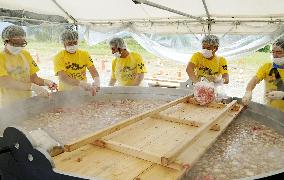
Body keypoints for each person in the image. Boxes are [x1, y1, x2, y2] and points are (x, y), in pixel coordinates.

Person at [0, 25, 57, 106]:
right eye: (15, 43)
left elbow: (34, 78)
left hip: (26, 101)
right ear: (5, 41)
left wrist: (46, 82)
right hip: (9, 104)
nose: (18, 46)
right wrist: (32, 87)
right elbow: (5, 82)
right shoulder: (1, 58)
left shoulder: (25, 54)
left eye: (21, 43)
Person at [53, 29, 100, 95]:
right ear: (63, 43)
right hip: (66, 92)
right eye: (69, 43)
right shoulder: (59, 57)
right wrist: (81, 83)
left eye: (75, 43)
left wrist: (96, 80)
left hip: (82, 91)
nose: (72, 45)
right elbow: (63, 77)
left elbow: (93, 70)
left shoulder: (85, 54)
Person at [242, 38, 284, 111]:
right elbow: (255, 79)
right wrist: (248, 91)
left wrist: (283, 95)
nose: (275, 55)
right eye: (273, 52)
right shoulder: (267, 67)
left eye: (279, 52)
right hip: (269, 109)